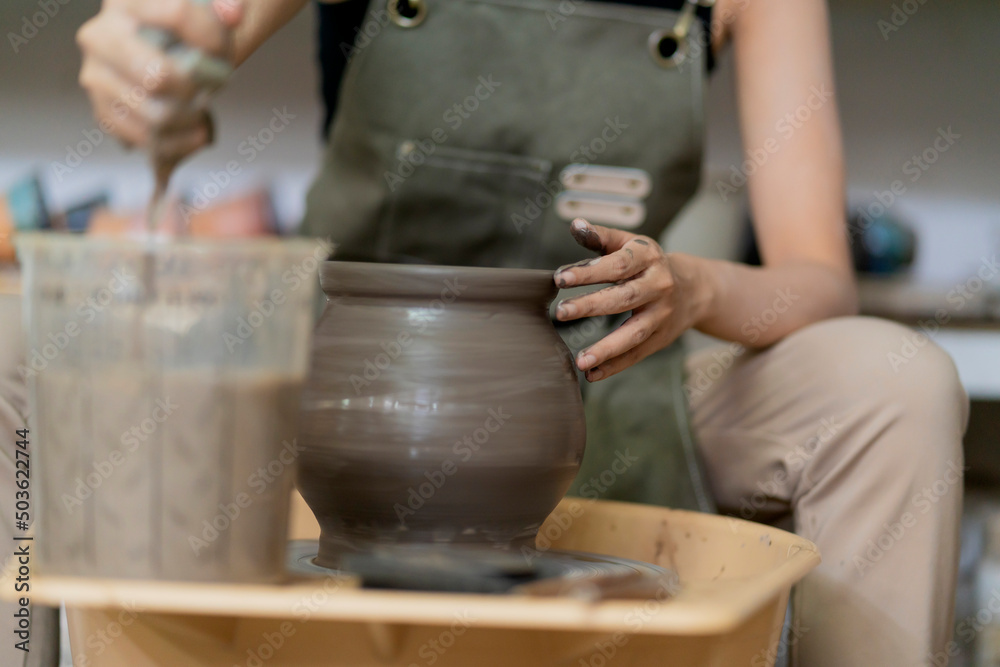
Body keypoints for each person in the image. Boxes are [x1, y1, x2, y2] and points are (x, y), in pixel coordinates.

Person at [59, 0, 968, 663]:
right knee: (30, 362)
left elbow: (820, 280)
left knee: (893, 381)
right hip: (349, 381)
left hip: (618, 366)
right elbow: (187, 30)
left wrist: (694, 288)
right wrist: (156, 60)